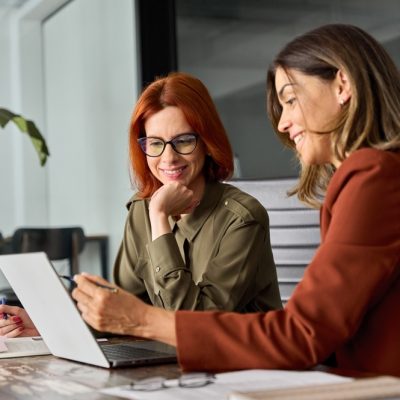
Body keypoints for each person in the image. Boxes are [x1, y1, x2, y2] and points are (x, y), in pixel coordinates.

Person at [4, 23, 400, 376]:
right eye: (155, 144)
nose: (281, 122)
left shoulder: (374, 176)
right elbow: (123, 306)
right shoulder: (369, 177)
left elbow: (299, 333)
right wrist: (52, 320)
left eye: (290, 99)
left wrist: (143, 319)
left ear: (343, 86)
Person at [0, 72, 282, 337]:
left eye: (183, 141)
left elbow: (193, 325)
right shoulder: (139, 210)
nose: (168, 158)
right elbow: (123, 310)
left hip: (240, 371)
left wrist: (159, 219)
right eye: (155, 143)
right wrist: (48, 324)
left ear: (207, 142)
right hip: (165, 366)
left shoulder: (242, 218)